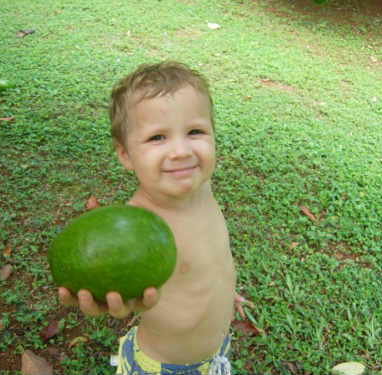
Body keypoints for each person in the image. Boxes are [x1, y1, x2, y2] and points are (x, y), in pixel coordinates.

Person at [58, 61, 243, 374]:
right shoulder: (135, 230)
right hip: (167, 367)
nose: (182, 151)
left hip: (216, 350)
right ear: (126, 155)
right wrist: (112, 297)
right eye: (158, 138)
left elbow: (212, 258)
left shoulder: (202, 187)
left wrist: (224, 291)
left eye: (195, 131)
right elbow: (118, 284)